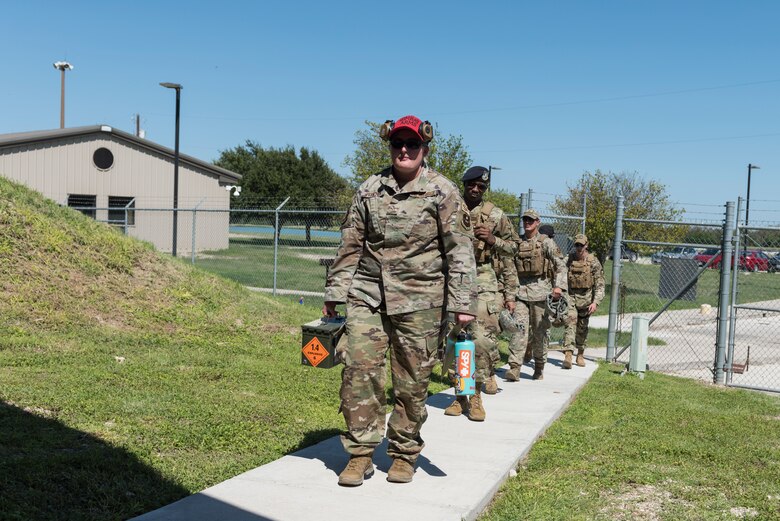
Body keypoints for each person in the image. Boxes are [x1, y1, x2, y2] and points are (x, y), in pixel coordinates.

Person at [323, 114, 478, 486]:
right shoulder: (370, 188)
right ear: (390, 146)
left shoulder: (443, 192)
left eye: (411, 144)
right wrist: (334, 293)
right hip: (368, 295)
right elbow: (350, 244)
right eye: (397, 144)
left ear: (424, 148)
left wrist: (463, 303)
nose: (404, 150)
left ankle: (405, 453)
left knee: (411, 382)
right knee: (359, 372)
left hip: (421, 301)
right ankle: (360, 454)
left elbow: (459, 250)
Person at [443, 166, 518, 421]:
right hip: (452, 277)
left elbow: (515, 248)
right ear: (463, 184)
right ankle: (460, 395)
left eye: (481, 187)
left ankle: (475, 396)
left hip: (483, 278)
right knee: (453, 338)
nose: (476, 190)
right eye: (471, 185)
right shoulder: (449, 209)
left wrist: (494, 241)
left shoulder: (495, 215)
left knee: (482, 341)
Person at [505, 209, 567, 381]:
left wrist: (559, 287)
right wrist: (509, 296)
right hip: (521, 294)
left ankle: (539, 366)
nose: (527, 223)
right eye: (525, 219)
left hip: (541, 294)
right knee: (519, 331)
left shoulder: (545, 243)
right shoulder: (517, 243)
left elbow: (561, 265)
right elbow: (510, 270)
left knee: (539, 333)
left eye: (531, 220)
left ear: (537, 222)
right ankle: (515, 368)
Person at [562, 234, 605, 367]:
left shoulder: (593, 262)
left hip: (586, 300)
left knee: (582, 328)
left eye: (581, 245)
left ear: (586, 245)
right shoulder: (569, 259)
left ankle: (580, 353)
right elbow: (560, 271)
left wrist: (595, 302)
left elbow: (600, 284)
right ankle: (568, 354)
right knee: (570, 322)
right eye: (577, 245)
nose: (579, 248)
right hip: (571, 297)